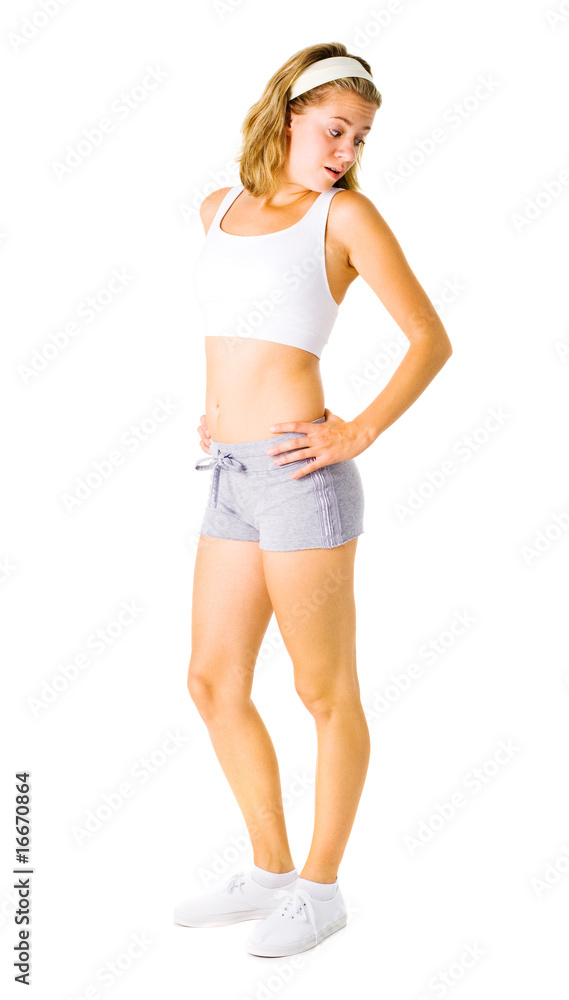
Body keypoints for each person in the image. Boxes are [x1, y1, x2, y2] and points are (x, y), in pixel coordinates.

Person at [175, 42, 452, 958]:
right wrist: (219, 411)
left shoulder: (346, 216)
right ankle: (268, 870)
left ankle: (321, 891)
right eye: (335, 129)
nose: (345, 150)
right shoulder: (217, 209)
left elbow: (428, 338)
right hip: (231, 475)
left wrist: (357, 431)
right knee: (212, 681)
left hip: (302, 476)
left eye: (359, 137)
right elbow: (237, 335)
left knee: (322, 691)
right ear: (287, 115)